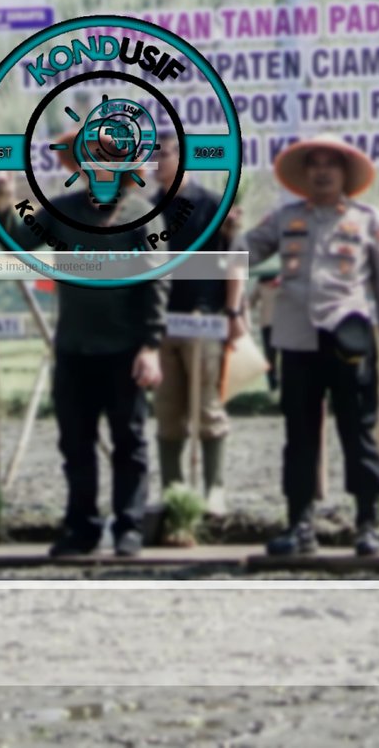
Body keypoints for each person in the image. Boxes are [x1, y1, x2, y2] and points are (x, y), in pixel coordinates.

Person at [0, 139, 168, 558]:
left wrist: (151, 346)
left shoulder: (143, 216)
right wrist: (4, 198)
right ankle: (82, 529)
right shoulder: (63, 210)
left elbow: (158, 283)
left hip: (126, 349)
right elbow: (16, 244)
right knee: (75, 443)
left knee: (130, 442)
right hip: (73, 348)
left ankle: (128, 528)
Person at [239, 134, 379, 558]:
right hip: (296, 340)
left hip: (349, 339)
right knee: (299, 435)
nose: (321, 171)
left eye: (330, 164)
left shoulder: (369, 221)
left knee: (359, 430)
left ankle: (367, 523)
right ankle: (299, 525)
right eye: (313, 164)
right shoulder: (284, 218)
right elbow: (239, 255)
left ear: (345, 173)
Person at [148, 131, 247, 514]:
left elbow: (236, 261)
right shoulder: (146, 207)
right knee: (167, 412)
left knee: (208, 409)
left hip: (203, 319)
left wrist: (235, 312)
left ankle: (214, 490)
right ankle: (175, 494)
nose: (157, 162)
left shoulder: (211, 205)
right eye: (152, 155)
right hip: (159, 324)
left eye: (165, 153)